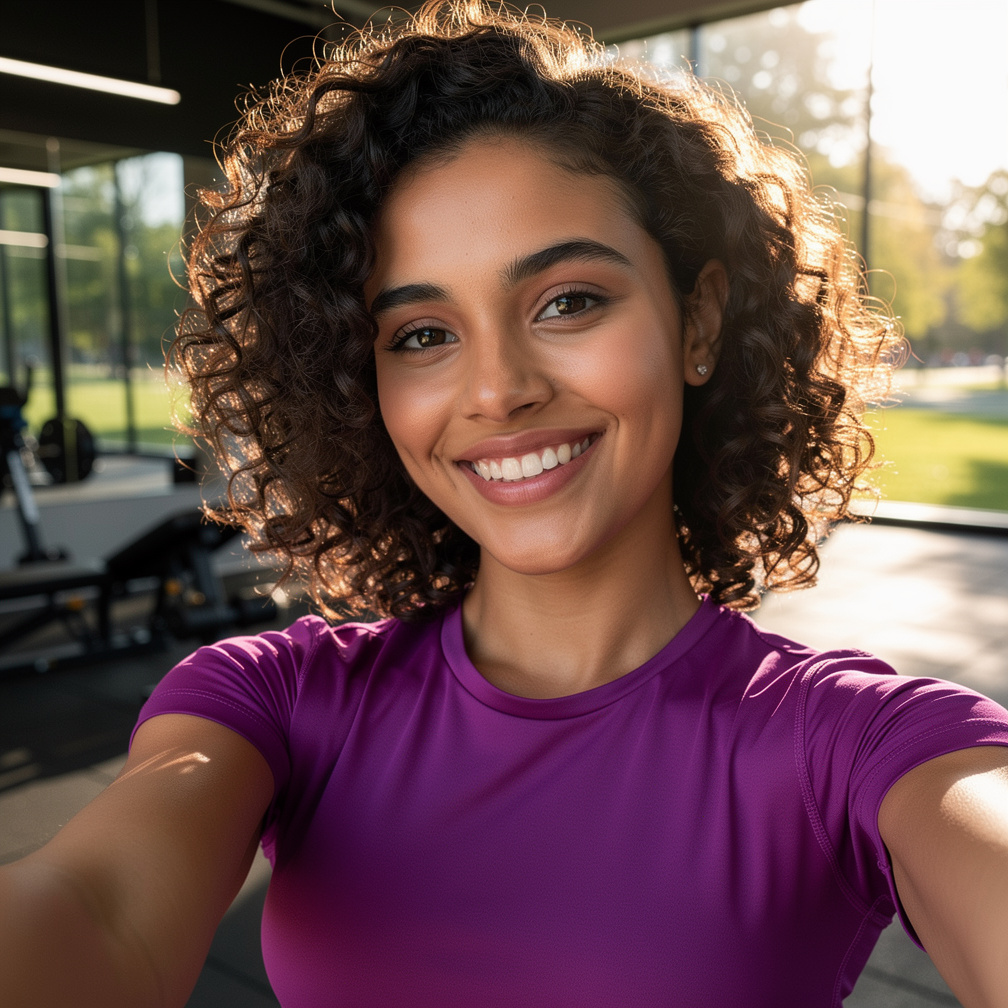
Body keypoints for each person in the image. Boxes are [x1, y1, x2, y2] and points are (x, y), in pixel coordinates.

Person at [3, 3, 1008, 1006]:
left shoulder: (859, 743)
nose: (496, 389)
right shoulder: (276, 702)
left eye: (568, 301)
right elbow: (98, 908)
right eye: (422, 335)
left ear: (696, 322)